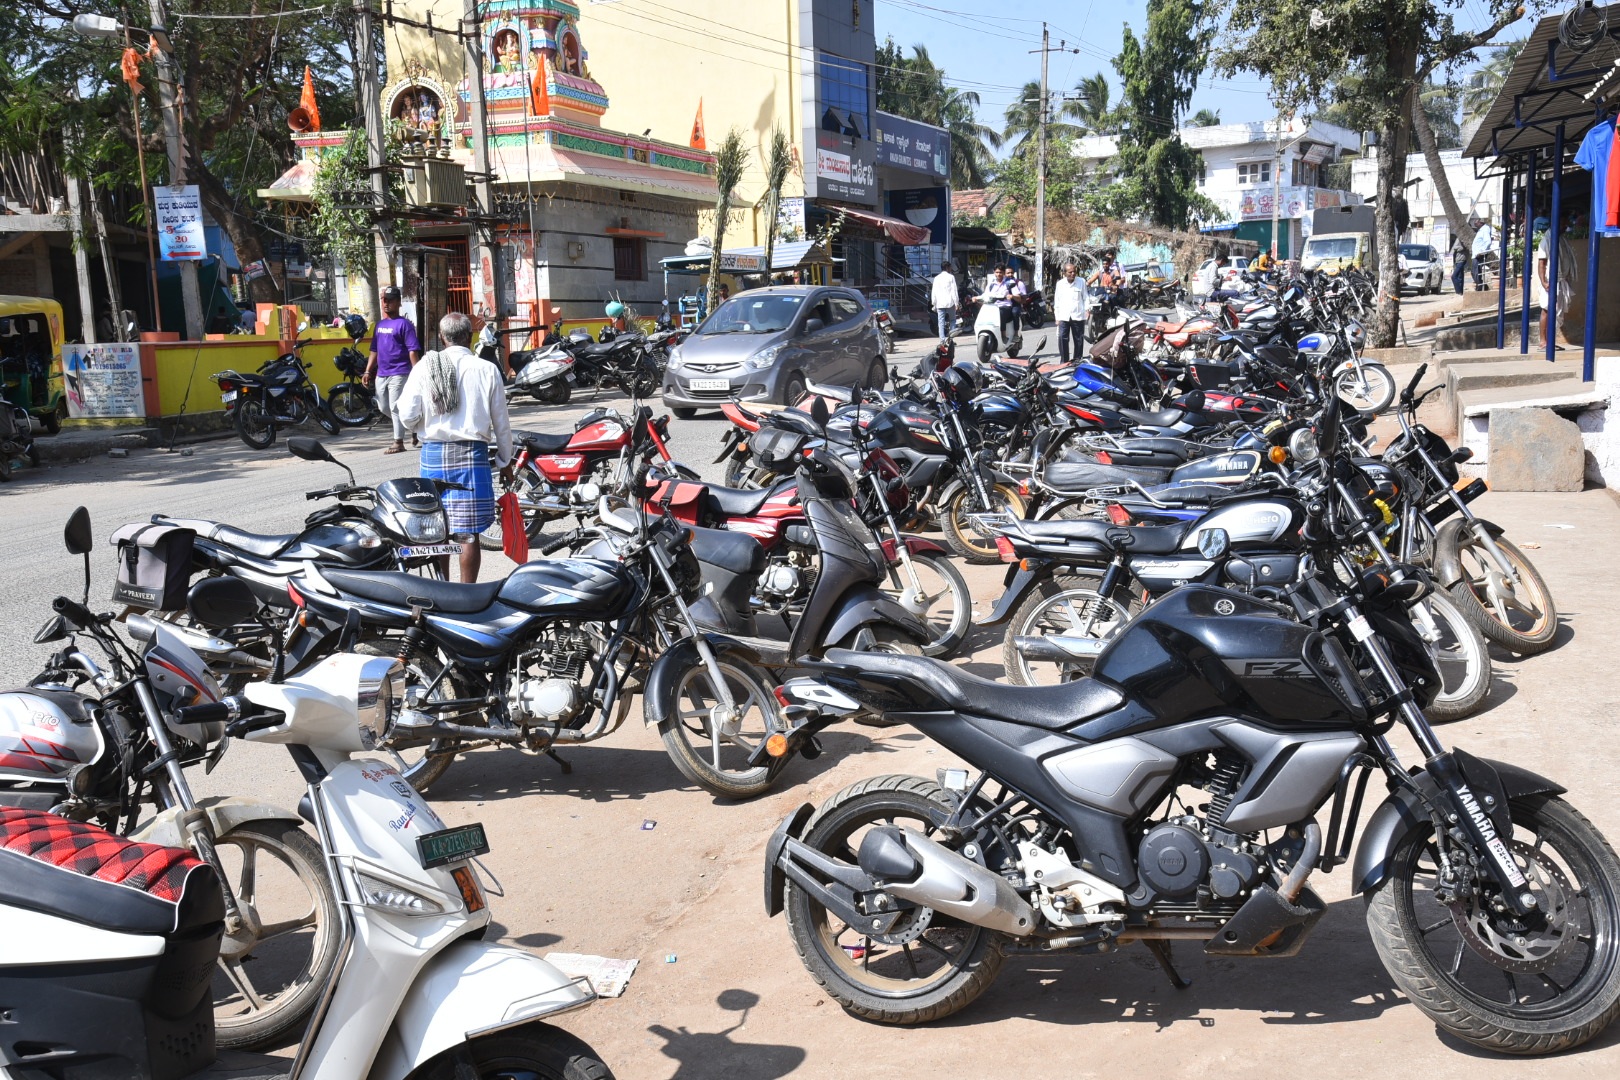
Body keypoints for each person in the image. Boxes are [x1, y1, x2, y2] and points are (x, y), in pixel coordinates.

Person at [397, 311, 513, 583]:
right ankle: (467, 594)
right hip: (472, 456)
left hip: (433, 455)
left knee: (437, 530)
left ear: (442, 338)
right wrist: (506, 461)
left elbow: (407, 415)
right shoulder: (486, 369)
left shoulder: (425, 367)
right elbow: (501, 423)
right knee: (468, 532)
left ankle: (441, 590)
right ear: (470, 337)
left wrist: (423, 425)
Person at [363, 285, 422, 454]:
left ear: (398, 302)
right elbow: (374, 349)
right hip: (382, 373)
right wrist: (368, 370)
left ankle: (398, 442)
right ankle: (413, 426)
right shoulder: (379, 325)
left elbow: (412, 350)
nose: (386, 304)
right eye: (384, 300)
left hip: (400, 371)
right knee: (383, 407)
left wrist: (417, 372)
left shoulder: (405, 325)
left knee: (395, 406)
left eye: (390, 300)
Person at [1052, 260, 1088, 365]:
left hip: (1078, 315)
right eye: (1070, 272)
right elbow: (1057, 301)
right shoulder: (1060, 284)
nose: (1072, 274)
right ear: (1064, 273)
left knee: (1078, 340)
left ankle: (1077, 361)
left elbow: (1085, 297)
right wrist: (1057, 317)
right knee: (1063, 338)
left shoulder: (1081, 282)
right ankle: (1064, 362)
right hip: (1064, 316)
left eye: (1074, 272)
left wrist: (1087, 309)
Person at [982, 266, 1018, 346]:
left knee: (1000, 313)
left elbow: (1017, 295)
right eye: (997, 272)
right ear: (994, 272)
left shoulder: (1009, 282)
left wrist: (1012, 296)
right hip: (992, 306)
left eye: (1000, 272)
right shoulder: (991, 284)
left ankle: (1003, 335)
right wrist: (976, 298)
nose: (998, 274)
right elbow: (985, 294)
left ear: (1004, 273)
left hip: (1005, 307)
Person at [931, 263, 960, 341]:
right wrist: (956, 302)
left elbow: (934, 292)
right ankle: (951, 339)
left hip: (940, 303)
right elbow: (954, 291)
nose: (951, 269)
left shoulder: (936, 278)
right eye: (950, 267)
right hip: (950, 302)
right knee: (953, 320)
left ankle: (942, 340)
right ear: (947, 267)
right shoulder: (951, 277)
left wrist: (934, 303)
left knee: (941, 322)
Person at [1470, 216, 1494, 291]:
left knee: (1476, 272)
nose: (1475, 223)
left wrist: (1482, 251)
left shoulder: (1485, 229)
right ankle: (1481, 285)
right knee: (1474, 272)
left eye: (1476, 222)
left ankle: (1480, 287)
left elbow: (1488, 241)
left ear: (1481, 222)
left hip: (1479, 255)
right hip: (1476, 255)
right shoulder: (1481, 230)